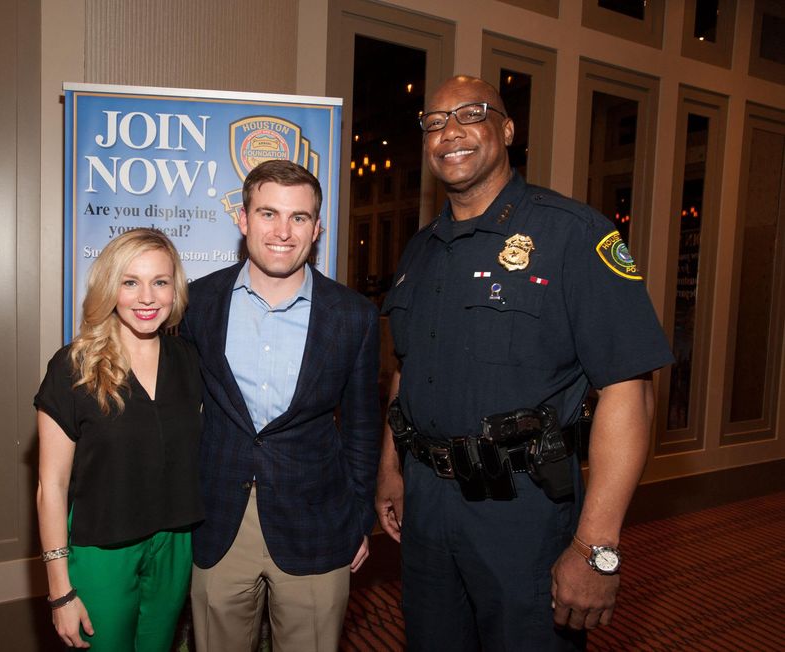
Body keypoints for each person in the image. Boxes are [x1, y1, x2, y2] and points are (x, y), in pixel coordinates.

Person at [376, 75, 674, 651]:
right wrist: (392, 469)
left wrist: (596, 548)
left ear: (508, 129)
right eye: (434, 122)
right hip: (427, 507)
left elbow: (629, 391)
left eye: (470, 114)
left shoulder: (574, 235)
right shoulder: (420, 249)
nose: (450, 132)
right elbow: (405, 371)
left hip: (522, 507)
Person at [181, 159, 381, 652]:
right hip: (218, 520)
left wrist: (359, 520)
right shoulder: (196, 303)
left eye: (299, 217)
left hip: (317, 523)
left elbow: (362, 428)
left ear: (317, 228)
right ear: (243, 219)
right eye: (268, 213)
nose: (282, 232)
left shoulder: (353, 315)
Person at [34, 229, 203, 651]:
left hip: (174, 543)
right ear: (110, 287)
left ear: (175, 290)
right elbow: (51, 485)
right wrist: (59, 590)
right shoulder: (72, 367)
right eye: (130, 282)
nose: (147, 297)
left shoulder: (189, 360)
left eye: (160, 282)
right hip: (101, 547)